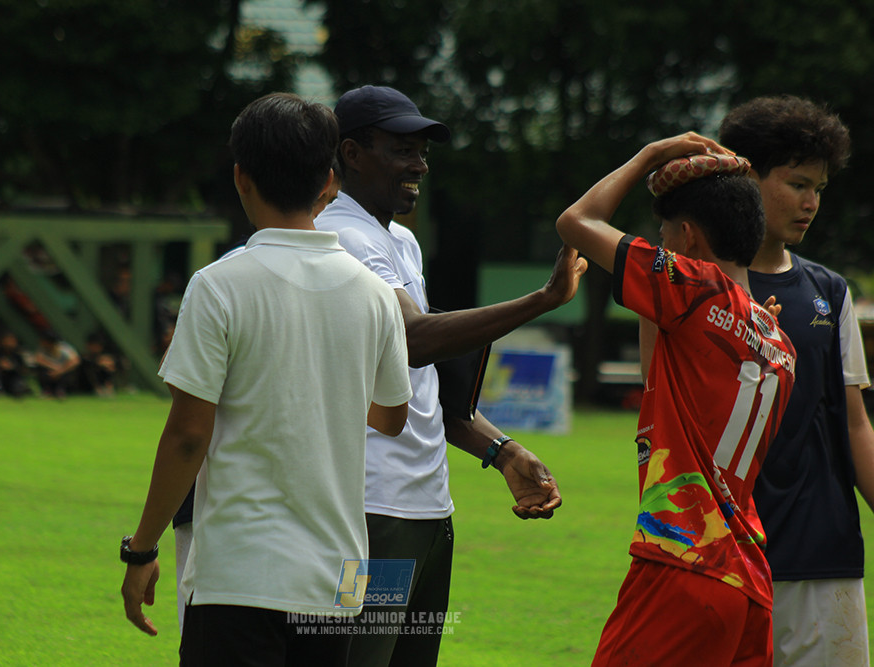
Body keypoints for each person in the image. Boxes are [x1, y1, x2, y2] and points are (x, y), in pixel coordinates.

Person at [120, 92, 413, 666]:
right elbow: (392, 415)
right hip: (340, 579)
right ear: (330, 181)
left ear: (240, 178)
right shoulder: (376, 294)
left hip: (240, 574)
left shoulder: (218, 286)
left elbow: (187, 435)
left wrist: (142, 550)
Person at [314, 85, 587, 666]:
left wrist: (504, 451)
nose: (419, 164)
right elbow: (413, 341)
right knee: (360, 660)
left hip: (429, 513)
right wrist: (543, 299)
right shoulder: (341, 237)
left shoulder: (400, 242)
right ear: (352, 153)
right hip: (375, 517)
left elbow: (422, 390)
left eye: (423, 150)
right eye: (401, 149)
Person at [556, 133, 797, 665]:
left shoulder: (694, 286)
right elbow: (657, 378)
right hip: (749, 584)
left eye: (663, 235)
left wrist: (647, 155)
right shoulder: (780, 343)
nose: (658, 246)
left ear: (687, 238)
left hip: (683, 564)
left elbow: (575, 222)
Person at [719, 95, 874, 666]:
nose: (811, 203)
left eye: (819, 190)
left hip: (822, 552)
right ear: (745, 175)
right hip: (719, 553)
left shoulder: (830, 293)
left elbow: (855, 424)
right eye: (797, 184)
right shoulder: (692, 287)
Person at [0, 330, 32, 398]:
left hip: (12, 380)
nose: (12, 343)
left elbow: (23, 369)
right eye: (9, 340)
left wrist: (12, 367)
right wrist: (0, 365)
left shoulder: (17, 356)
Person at [34, 330, 80, 397]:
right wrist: (54, 367)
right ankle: (47, 390)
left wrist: (60, 371)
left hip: (63, 372)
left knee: (69, 372)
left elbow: (75, 361)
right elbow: (39, 359)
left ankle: (61, 390)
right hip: (50, 372)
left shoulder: (63, 348)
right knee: (40, 369)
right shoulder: (42, 349)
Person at [78, 332, 116, 396]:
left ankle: (108, 389)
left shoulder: (104, 357)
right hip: (86, 383)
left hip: (101, 381)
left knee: (105, 368)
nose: (96, 348)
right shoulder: (84, 358)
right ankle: (98, 390)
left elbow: (112, 368)